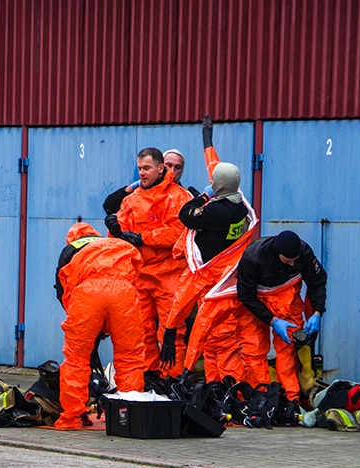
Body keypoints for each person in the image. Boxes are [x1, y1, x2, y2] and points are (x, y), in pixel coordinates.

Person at [162, 160, 257, 381]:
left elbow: (186, 215)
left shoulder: (216, 210)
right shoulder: (241, 207)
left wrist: (202, 198)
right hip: (225, 278)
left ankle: (221, 385)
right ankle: (217, 386)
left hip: (209, 277)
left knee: (219, 339)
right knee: (217, 339)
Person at [104, 148, 190, 375]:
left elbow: (177, 233)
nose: (142, 173)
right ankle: (149, 379)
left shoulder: (178, 197)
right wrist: (116, 230)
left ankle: (171, 384)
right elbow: (118, 237)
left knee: (172, 333)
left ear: (161, 168)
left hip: (169, 274)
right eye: (140, 168)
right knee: (142, 331)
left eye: (146, 168)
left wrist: (142, 238)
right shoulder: (131, 200)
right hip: (140, 275)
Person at [53, 222, 144, 430]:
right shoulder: (112, 244)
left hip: (88, 294)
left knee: (76, 358)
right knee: (130, 358)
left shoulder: (71, 249)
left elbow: (63, 287)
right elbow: (134, 274)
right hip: (124, 293)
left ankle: (72, 417)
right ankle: (130, 416)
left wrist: (82, 324)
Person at [236, 230, 327, 403]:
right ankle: (261, 397)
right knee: (254, 350)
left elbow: (318, 282)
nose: (293, 264)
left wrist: (317, 312)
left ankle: (291, 398)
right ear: (277, 254)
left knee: (289, 349)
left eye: (295, 260)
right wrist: (273, 320)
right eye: (287, 261)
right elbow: (245, 295)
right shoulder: (252, 257)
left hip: (287, 297)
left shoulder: (304, 252)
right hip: (257, 300)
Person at [102, 149, 186, 214]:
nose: (172, 170)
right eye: (168, 165)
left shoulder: (186, 196)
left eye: (178, 167)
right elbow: (109, 206)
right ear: (160, 167)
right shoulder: (139, 190)